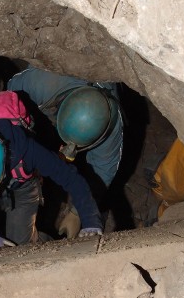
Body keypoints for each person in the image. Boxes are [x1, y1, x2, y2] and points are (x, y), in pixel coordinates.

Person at [0, 111, 104, 249]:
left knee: (21, 244)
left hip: (23, 187)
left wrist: (90, 220)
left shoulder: (30, 153)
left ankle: (45, 244)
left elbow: (71, 179)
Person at [7, 67, 123, 237]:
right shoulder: (37, 83)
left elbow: (103, 170)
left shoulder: (110, 130)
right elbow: (7, 100)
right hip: (43, 106)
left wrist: (76, 214)